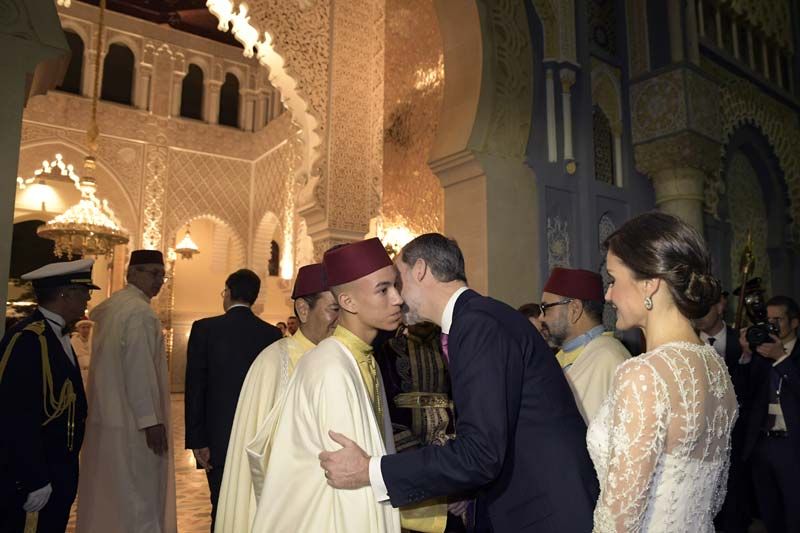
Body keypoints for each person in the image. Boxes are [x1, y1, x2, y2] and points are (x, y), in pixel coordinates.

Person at [320, 233, 598, 532]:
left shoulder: (478, 325)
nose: (397, 298)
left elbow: (480, 453)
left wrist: (372, 471)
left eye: (397, 283)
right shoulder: (480, 317)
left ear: (420, 270)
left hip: (544, 513)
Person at [586, 212, 738, 532]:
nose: (608, 295)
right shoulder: (716, 368)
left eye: (613, 279)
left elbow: (618, 522)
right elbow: (711, 500)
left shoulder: (644, 374)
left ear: (650, 283)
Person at [250, 238, 404, 532]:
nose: (397, 298)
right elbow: (351, 489)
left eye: (396, 286)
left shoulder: (360, 357)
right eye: (383, 289)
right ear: (347, 301)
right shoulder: (332, 368)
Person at [214, 263, 338, 532]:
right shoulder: (272, 363)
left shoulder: (344, 360)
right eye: (334, 309)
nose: (342, 320)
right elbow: (259, 460)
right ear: (303, 310)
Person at [76, 250, 177, 533]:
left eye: (162, 274)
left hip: (106, 420)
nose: (159, 280)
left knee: (106, 494)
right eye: (152, 273)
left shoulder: (110, 308)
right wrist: (151, 420)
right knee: (139, 496)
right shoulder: (139, 313)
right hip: (135, 426)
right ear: (131, 273)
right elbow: (139, 369)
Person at [0, 259, 96, 532]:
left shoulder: (57, 335)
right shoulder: (28, 338)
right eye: (83, 291)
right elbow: (13, 414)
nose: (88, 297)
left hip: (59, 469)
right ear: (64, 294)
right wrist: (34, 478)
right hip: (34, 474)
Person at [184, 268, 283, 529]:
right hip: (258, 435)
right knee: (255, 500)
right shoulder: (271, 334)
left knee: (220, 501)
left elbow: (195, 388)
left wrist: (197, 440)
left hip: (217, 438)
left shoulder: (204, 329)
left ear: (227, 293)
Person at [738, 295, 800, 533]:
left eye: (778, 320)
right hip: (762, 444)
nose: (771, 325)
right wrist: (746, 355)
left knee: (795, 514)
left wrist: (781, 359)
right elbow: (744, 393)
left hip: (793, 446)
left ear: (794, 323)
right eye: (768, 319)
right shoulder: (761, 353)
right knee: (769, 513)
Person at [540, 267, 631, 424]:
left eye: (545, 308)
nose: (541, 317)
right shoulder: (558, 357)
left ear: (574, 310)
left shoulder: (608, 357)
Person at [694, 290, 751, 533]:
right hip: (698, 449)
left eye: (706, 305)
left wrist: (748, 355)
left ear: (721, 305)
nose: (699, 312)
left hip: (739, 447)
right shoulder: (683, 344)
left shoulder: (745, 341)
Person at [70, 317, 93, 388]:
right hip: (80, 374)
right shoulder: (72, 342)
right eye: (83, 327)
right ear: (78, 329)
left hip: (92, 374)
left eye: (88, 327)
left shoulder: (94, 341)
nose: (86, 330)